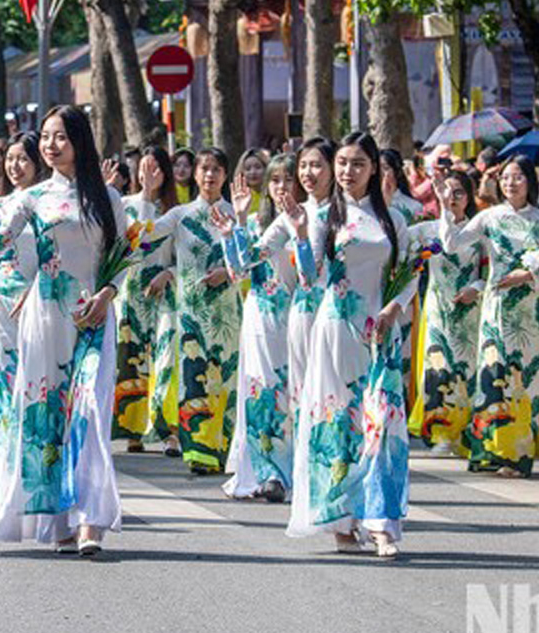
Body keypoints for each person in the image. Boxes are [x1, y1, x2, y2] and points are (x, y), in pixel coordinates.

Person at [0, 105, 124, 555]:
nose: (51, 145)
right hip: (46, 317)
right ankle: (57, 521)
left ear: (79, 141)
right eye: (47, 137)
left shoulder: (107, 198)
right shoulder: (34, 198)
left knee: (90, 411)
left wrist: (107, 295)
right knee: (47, 413)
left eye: (61, 137)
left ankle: (91, 518)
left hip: (92, 316)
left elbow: (123, 255)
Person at [287, 132, 415, 557]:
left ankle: (381, 524)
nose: (347, 171)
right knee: (341, 421)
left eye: (358, 163)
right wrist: (301, 235)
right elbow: (308, 277)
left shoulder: (392, 219)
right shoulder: (326, 217)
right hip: (336, 330)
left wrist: (393, 309)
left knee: (382, 422)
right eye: (342, 163)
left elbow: (409, 274)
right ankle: (342, 523)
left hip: (380, 330)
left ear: (374, 168)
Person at [438, 155, 539, 478]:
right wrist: (445, 208)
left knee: (526, 381)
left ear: (529, 182)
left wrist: (529, 275)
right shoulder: (490, 217)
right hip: (495, 308)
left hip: (529, 312)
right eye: (506, 177)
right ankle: (491, 451)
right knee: (492, 375)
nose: (511, 183)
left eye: (518, 177)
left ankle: (517, 456)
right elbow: (451, 244)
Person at [147, 148, 240, 475]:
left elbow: (250, 261)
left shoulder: (235, 213)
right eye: (204, 169)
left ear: (225, 175)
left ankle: (223, 449)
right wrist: (148, 195)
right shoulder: (180, 215)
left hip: (225, 312)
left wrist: (227, 273)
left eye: (216, 169)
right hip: (191, 313)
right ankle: (199, 451)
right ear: (196, 174)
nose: (209, 175)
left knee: (224, 377)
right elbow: (145, 236)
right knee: (194, 379)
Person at [216, 152, 302, 501]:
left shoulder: (310, 221)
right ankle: (268, 472)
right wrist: (236, 222)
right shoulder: (254, 223)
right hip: (262, 317)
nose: (281, 187)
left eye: (288, 179)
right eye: (275, 180)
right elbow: (238, 271)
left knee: (296, 391)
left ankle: (299, 469)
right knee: (263, 390)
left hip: (299, 315)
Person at [0, 133, 43, 513]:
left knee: (33, 388)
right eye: (11, 159)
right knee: (0, 387)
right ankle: (3, 480)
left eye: (23, 159)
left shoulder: (49, 203)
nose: (16, 166)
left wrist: (38, 290)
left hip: (40, 303)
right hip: (1, 303)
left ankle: (32, 478)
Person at [408, 169, 484, 456]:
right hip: (438, 307)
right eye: (447, 192)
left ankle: (464, 431)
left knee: (466, 368)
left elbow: (489, 269)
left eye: (459, 192)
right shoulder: (428, 230)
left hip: (470, 309)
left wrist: (476, 288)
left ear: (469, 197)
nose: (452, 198)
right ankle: (440, 432)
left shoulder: (479, 231)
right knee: (437, 366)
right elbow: (396, 244)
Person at [113, 145, 178, 454]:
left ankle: (167, 430)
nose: (147, 174)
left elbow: (185, 257)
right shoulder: (125, 206)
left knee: (165, 357)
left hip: (164, 293)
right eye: (142, 168)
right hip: (130, 293)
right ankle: (134, 427)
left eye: (154, 169)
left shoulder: (175, 213)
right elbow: (131, 243)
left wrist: (169, 273)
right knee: (132, 360)